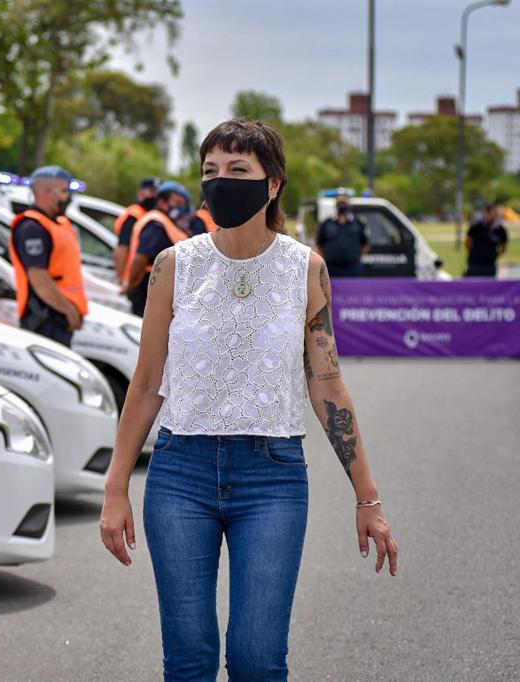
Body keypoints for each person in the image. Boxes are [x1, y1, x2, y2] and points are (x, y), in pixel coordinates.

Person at [100, 118, 397, 681]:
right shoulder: (173, 265)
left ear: (273, 184)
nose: (221, 183)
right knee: (188, 659)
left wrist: (368, 499)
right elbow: (145, 383)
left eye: (239, 170)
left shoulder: (304, 268)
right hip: (180, 472)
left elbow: (327, 382)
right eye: (210, 171)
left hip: (272, 476)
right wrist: (116, 486)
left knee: (259, 658)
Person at [8, 165, 89, 347]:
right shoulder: (32, 228)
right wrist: (69, 311)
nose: (68, 198)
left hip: (59, 318)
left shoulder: (59, 224)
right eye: (64, 191)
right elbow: (39, 278)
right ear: (46, 192)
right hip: (45, 318)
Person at [121, 181, 190, 317]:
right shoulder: (157, 224)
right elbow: (140, 258)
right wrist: (129, 286)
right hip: (148, 286)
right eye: (177, 203)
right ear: (163, 202)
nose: (181, 208)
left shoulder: (167, 223)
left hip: (160, 285)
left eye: (183, 204)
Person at [113, 178, 159, 281]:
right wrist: (120, 278)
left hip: (142, 277)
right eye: (152, 191)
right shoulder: (135, 215)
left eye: (157, 192)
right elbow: (122, 247)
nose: (155, 195)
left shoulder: (151, 215)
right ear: (141, 193)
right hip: (131, 278)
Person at [316, 191, 370, 277]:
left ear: (348, 206)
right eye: (340, 204)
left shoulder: (358, 223)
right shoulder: (326, 224)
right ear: (336, 206)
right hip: (332, 269)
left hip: (353, 269)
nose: (342, 206)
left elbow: (366, 245)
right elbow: (319, 244)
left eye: (344, 203)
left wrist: (355, 258)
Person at [465, 201, 509, 277]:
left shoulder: (501, 230)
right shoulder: (476, 227)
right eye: (495, 212)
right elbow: (468, 243)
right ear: (487, 212)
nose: (497, 214)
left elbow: (503, 247)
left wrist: (494, 254)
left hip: (490, 264)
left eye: (498, 212)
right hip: (475, 264)